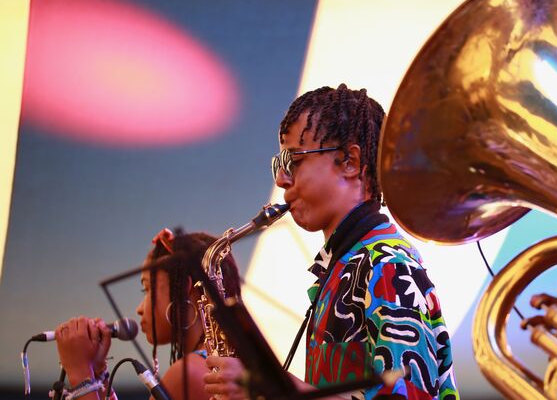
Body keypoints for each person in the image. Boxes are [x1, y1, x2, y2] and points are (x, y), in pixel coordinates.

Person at [204, 84, 459, 400]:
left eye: (293, 159)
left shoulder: (388, 268)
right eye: (279, 164)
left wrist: (272, 388)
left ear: (350, 161)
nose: (281, 179)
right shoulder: (343, 269)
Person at [54, 229, 241, 400]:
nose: (139, 309)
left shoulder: (188, 373)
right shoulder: (225, 366)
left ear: (184, 287)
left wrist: (80, 373)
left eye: (147, 289)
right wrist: (97, 373)